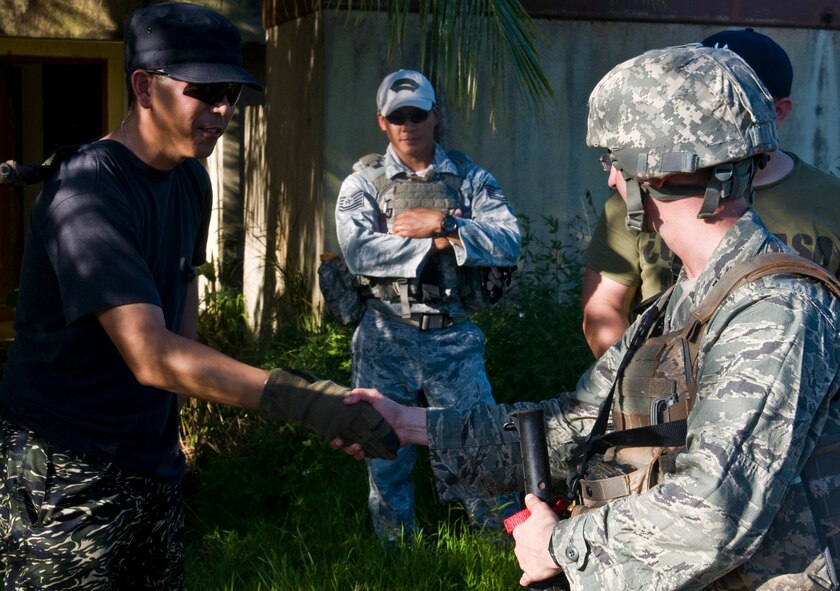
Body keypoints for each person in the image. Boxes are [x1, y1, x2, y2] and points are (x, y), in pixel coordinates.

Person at [336, 44, 840, 589]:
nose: (609, 181)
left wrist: (557, 545)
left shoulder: (775, 311)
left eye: (613, 163)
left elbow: (710, 512)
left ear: (652, 172)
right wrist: (408, 423)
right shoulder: (681, 302)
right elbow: (575, 423)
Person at [0, 4, 397, 589]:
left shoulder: (190, 178)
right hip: (64, 469)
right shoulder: (88, 191)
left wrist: (176, 416)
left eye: (232, 94)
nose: (222, 111)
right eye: (204, 91)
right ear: (143, 85)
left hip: (149, 464)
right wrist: (312, 401)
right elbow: (152, 355)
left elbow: (181, 305)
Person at [333, 69, 522, 541]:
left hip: (452, 336)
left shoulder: (471, 177)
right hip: (384, 334)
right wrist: (438, 246)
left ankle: (506, 547)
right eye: (398, 117)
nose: (408, 125)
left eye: (418, 114)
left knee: (479, 444)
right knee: (383, 453)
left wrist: (441, 225)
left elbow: (509, 241)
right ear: (382, 121)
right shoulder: (362, 183)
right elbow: (360, 252)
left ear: (435, 115)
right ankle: (398, 555)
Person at [581, 28, 840, 358]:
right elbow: (603, 307)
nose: (709, 114)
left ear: (778, 111)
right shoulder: (640, 197)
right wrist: (644, 388)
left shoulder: (831, 200)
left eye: (734, 99)